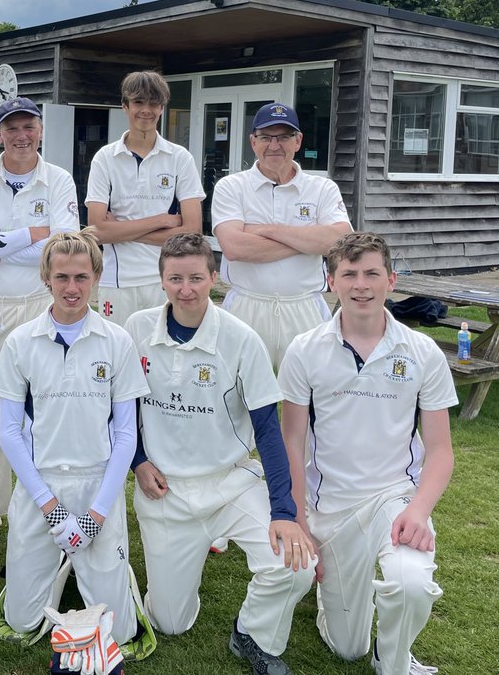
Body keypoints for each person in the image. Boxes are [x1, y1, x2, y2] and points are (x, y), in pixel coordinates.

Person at [124, 233, 314, 675]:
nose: (185, 288)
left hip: (230, 483)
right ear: (162, 281)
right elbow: (121, 411)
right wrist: (138, 461)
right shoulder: (137, 329)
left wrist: (284, 511)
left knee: (296, 566)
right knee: (170, 624)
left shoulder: (241, 338)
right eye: (175, 278)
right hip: (165, 491)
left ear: (214, 277)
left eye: (195, 277)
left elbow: (268, 430)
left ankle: (252, 633)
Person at [279, 232, 457, 675]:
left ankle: (393, 659)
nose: (361, 284)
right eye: (350, 274)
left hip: (394, 500)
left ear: (391, 280)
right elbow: (292, 443)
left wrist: (418, 511)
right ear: (330, 281)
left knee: (411, 585)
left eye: (372, 273)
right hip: (331, 510)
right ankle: (338, 606)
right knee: (346, 648)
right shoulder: (304, 350)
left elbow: (440, 452)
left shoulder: (422, 352)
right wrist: (298, 518)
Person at [0, 229, 149, 651]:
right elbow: (8, 432)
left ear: (96, 276)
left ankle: (99, 567)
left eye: (81, 277)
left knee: (119, 633)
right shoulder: (22, 341)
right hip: (39, 487)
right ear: (46, 278)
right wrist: (52, 510)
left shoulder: (117, 341)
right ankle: (65, 563)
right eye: (62, 277)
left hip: (97, 483)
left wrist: (95, 515)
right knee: (22, 622)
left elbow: (125, 433)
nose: (72, 288)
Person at [0, 96, 79, 546]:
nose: (21, 135)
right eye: (12, 128)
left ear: (40, 130)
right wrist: (31, 235)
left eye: (29, 127)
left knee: (45, 408)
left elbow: (62, 252)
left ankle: (48, 505)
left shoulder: (59, 180)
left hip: (38, 305)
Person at [211, 101, 351, 368]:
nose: (274, 145)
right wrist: (309, 241)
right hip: (246, 307)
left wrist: (267, 231)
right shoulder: (231, 186)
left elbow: (340, 242)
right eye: (265, 137)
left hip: (304, 308)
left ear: (298, 141)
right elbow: (234, 247)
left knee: (311, 395)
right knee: (237, 395)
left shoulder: (322, 188)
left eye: (284, 137)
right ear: (253, 142)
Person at [86, 70, 205, 328]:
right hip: (117, 282)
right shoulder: (105, 158)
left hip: (164, 280)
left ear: (162, 108)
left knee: (162, 358)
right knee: (117, 357)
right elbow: (96, 231)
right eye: (138, 102)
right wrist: (162, 220)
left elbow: (193, 231)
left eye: (153, 103)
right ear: (125, 106)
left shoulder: (180, 157)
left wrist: (120, 228)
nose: (146, 110)